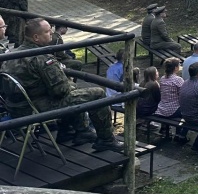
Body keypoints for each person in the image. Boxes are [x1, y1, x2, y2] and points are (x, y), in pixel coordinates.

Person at [0, 18, 124, 152]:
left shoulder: (11, 55)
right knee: (97, 93)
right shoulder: (41, 58)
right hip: (36, 108)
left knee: (74, 91)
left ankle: (76, 131)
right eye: (47, 32)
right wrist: (68, 83)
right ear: (36, 37)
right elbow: (61, 91)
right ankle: (106, 140)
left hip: (17, 106)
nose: (52, 34)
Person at [155, 57, 186, 139]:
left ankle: (164, 128)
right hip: (173, 110)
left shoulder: (162, 79)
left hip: (161, 108)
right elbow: (183, 94)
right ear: (175, 68)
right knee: (185, 111)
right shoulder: (178, 80)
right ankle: (179, 134)